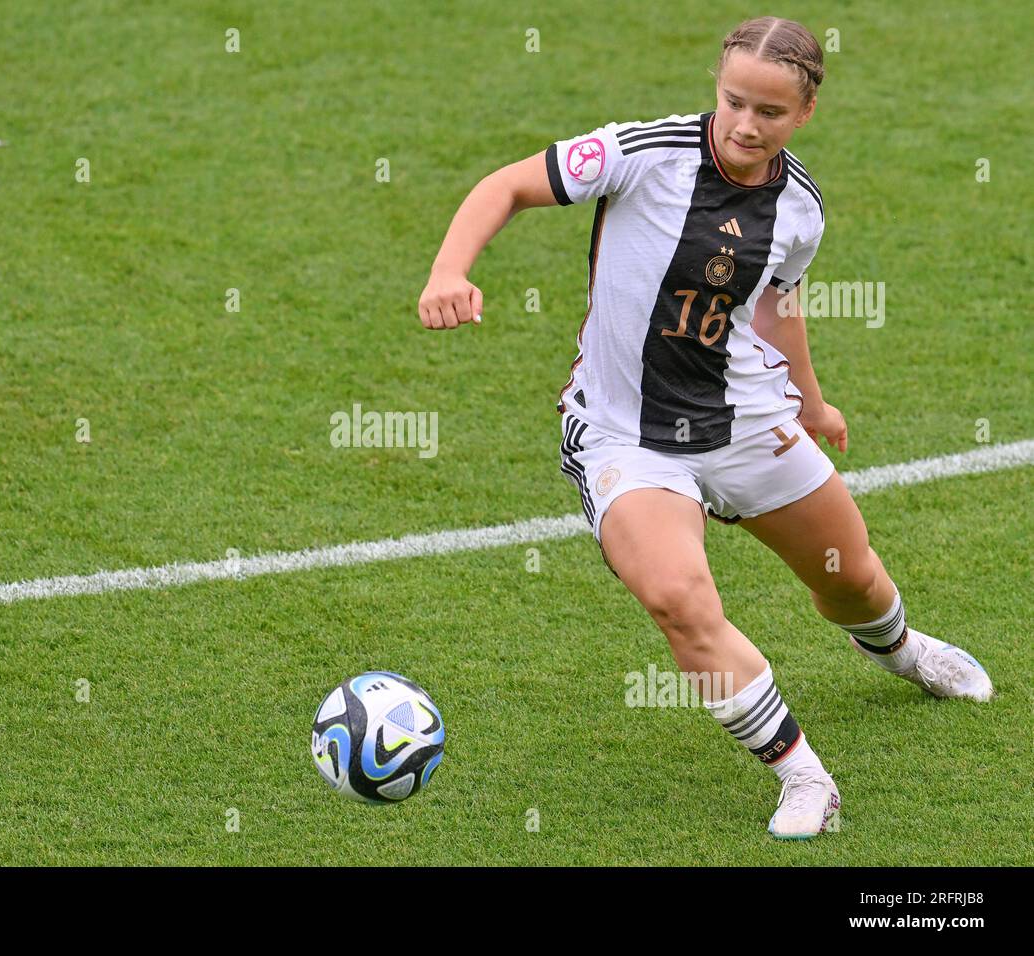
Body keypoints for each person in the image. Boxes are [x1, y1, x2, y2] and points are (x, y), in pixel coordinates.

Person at [417, 16, 992, 839]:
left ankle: (902, 651)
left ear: (805, 114)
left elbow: (776, 303)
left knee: (850, 578)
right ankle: (803, 778)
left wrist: (813, 399)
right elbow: (505, 185)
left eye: (769, 111)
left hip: (747, 420)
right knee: (678, 599)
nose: (746, 124)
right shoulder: (642, 154)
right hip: (627, 439)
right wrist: (450, 268)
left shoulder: (800, 208)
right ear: (715, 88)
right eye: (733, 102)